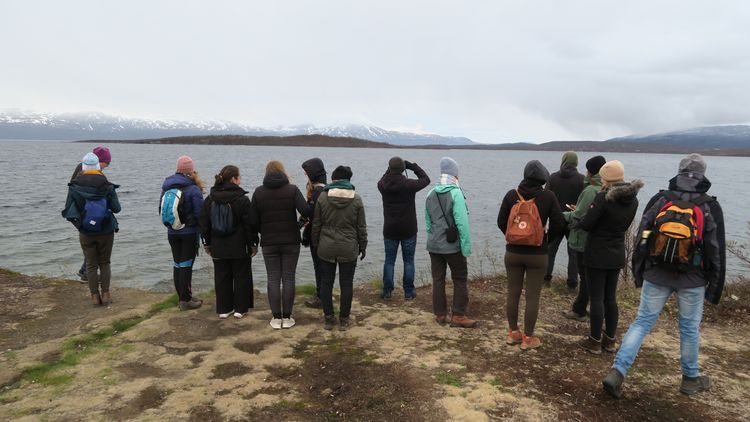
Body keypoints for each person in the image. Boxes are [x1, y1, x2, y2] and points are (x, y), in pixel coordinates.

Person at [603, 154, 724, 398]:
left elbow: (643, 237)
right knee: (689, 328)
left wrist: (640, 271)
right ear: (703, 174)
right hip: (693, 279)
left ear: (678, 172)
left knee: (642, 322)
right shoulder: (709, 206)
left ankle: (617, 372)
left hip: (656, 273)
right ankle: (690, 378)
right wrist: (714, 287)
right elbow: (715, 249)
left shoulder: (660, 200)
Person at [497, 160, 565, 349]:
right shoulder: (548, 196)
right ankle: (528, 338)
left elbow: (501, 221)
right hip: (538, 254)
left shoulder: (512, 195)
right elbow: (559, 223)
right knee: (533, 296)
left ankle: (512, 334)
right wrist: (545, 240)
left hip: (513, 253)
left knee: (513, 292)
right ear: (543, 177)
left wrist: (514, 237)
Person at [578, 161, 642, 355]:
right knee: (610, 298)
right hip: (616, 252)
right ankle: (610, 340)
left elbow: (588, 224)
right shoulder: (633, 200)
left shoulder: (602, 198)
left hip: (597, 252)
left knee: (596, 298)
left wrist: (580, 217)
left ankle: (595, 341)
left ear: (606, 178)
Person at [250, 161, 311, 329]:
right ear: (283, 172)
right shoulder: (292, 189)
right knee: (289, 278)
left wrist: (259, 235)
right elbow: (306, 211)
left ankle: (276, 318)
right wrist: (300, 222)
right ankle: (288, 317)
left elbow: (252, 221)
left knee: (273, 278)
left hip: (269, 242)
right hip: (291, 240)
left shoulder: (259, 192)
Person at [311, 165, 367, 331]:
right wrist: (363, 245)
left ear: (333, 180)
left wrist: (316, 243)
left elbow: (316, 225)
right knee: (346, 284)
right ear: (348, 180)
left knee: (326, 283)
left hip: (326, 247)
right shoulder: (356, 199)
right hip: (348, 247)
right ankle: (344, 319)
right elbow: (361, 227)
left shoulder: (322, 197)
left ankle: (329, 318)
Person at [62, 152, 121, 306]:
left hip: (86, 232)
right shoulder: (108, 186)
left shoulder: (74, 187)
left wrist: (81, 225)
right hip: (106, 230)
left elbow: (69, 211)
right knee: (105, 262)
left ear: (83, 167)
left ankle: (95, 297)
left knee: (91, 264)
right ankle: (106, 294)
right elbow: (117, 208)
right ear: (97, 166)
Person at [200, 165, 257, 319]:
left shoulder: (209, 199)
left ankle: (224, 309)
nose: (240, 179)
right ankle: (240, 309)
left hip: (217, 246)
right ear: (234, 179)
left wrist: (207, 243)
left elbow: (204, 224)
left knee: (221, 276)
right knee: (241, 275)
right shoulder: (242, 199)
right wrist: (253, 243)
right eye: (239, 177)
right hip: (239, 246)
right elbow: (249, 225)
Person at [425, 157, 475, 328]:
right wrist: (466, 247)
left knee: (438, 279)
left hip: (434, 244)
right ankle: (458, 315)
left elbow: (428, 222)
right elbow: (462, 223)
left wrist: (433, 238)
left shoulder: (430, 193)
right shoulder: (456, 193)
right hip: (452, 245)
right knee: (460, 278)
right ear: (455, 174)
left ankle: (440, 315)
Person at [377, 156, 431, 300]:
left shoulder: (382, 185)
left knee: (389, 261)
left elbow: (383, 177)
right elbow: (426, 179)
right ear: (402, 169)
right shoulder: (409, 184)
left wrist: (390, 169)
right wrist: (413, 166)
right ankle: (408, 292)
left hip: (390, 229)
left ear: (389, 169)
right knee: (408, 260)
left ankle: (387, 291)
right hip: (408, 229)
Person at [562, 155, 606, 321]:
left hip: (583, 238)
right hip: (598, 240)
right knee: (590, 276)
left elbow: (579, 216)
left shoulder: (590, 190)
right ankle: (582, 307)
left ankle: (579, 309)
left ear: (590, 171)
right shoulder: (605, 188)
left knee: (585, 275)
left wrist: (562, 214)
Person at [160, 155, 205, 311]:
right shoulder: (193, 189)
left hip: (172, 231)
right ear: (191, 171)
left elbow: (161, 209)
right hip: (189, 232)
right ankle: (185, 300)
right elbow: (201, 214)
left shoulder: (167, 187)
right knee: (186, 265)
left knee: (177, 264)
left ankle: (182, 297)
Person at [71, 146, 112, 282]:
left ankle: (85, 271)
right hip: (87, 213)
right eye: (105, 164)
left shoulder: (82, 169)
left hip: (84, 214)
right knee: (92, 245)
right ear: (97, 161)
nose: (105, 168)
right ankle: (86, 273)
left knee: (89, 244)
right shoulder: (88, 173)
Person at [545, 151, 585, 288]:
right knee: (573, 253)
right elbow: (584, 202)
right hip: (573, 220)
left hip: (556, 219)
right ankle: (573, 283)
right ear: (576, 163)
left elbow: (546, 198)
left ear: (563, 161)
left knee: (550, 250)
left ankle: (546, 278)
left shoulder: (553, 177)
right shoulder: (582, 179)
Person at [300, 158, 327, 308]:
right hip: (325, 235)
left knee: (319, 267)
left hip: (316, 236)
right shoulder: (325, 188)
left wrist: (304, 235)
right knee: (323, 266)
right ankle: (323, 295)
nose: (306, 174)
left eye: (307, 172)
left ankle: (321, 297)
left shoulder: (317, 192)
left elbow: (311, 216)